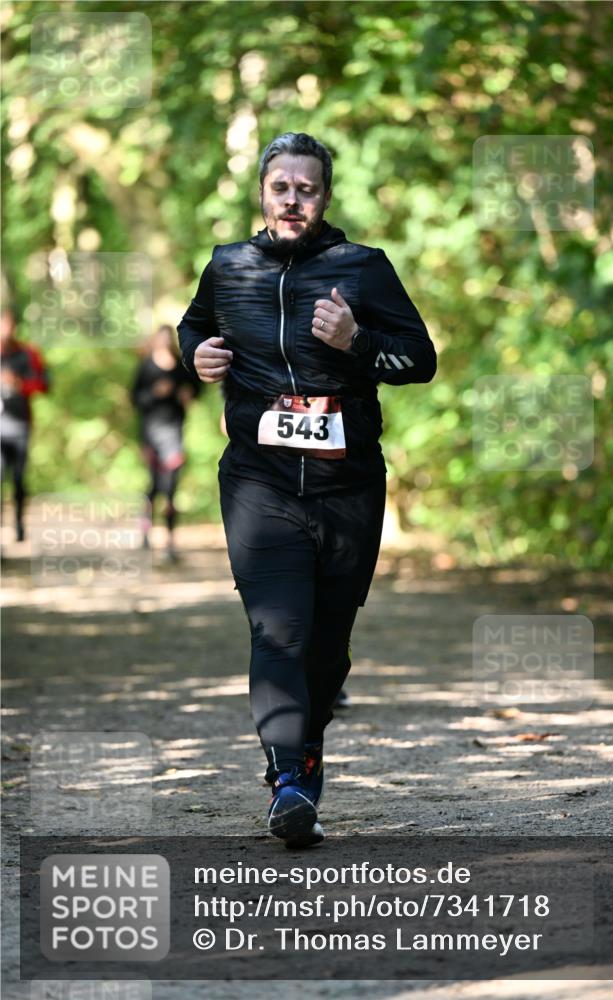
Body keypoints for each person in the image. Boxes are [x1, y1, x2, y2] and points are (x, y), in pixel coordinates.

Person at [178, 132, 436, 847]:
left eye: (308, 189)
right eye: (281, 187)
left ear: (325, 196)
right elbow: (193, 326)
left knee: (325, 645)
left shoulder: (362, 268)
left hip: (348, 487)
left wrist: (355, 341)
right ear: (263, 191)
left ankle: (308, 748)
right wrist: (194, 354)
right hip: (259, 483)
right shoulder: (227, 266)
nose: (293, 200)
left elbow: (419, 360)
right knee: (277, 630)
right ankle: (287, 780)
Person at [130, 324, 200, 562]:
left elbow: (196, 390)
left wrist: (186, 395)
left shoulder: (181, 367)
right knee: (154, 485)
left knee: (171, 487)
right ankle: (145, 531)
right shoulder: (146, 366)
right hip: (150, 433)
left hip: (174, 433)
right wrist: (155, 393)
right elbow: (135, 399)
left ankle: (170, 541)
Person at [1, 307, 49, 542]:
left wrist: (20, 384)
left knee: (18, 479)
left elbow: (44, 383)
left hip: (20, 427)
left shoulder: (27, 354)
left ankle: (19, 523)